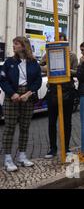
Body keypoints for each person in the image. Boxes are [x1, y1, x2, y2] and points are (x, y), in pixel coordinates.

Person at [0, 36, 42, 172]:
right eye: (13, 44)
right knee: (9, 128)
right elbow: (2, 79)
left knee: (25, 127)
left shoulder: (33, 63)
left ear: (24, 46)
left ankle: (22, 156)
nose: (14, 46)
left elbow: (38, 81)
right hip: (11, 97)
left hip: (27, 97)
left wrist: (28, 93)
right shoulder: (9, 62)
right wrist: (12, 93)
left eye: (16, 44)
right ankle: (7, 158)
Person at [41, 33, 78, 159]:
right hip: (52, 91)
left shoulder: (72, 56)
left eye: (62, 43)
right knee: (52, 122)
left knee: (67, 121)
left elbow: (76, 71)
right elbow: (41, 66)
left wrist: (66, 69)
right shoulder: (48, 53)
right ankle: (53, 149)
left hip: (67, 91)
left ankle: (66, 148)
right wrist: (50, 68)